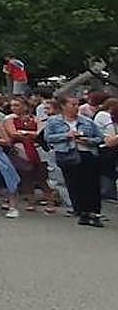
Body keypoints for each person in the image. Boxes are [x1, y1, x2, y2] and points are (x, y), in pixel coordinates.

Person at [44, 97, 104, 227]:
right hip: (67, 154)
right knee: (74, 184)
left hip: (86, 154)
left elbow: (100, 137)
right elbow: (48, 138)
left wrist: (87, 140)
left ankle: (94, 213)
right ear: (63, 106)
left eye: (77, 104)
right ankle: (82, 211)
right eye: (72, 104)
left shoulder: (87, 121)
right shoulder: (54, 121)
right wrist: (66, 136)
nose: (75, 107)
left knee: (91, 184)